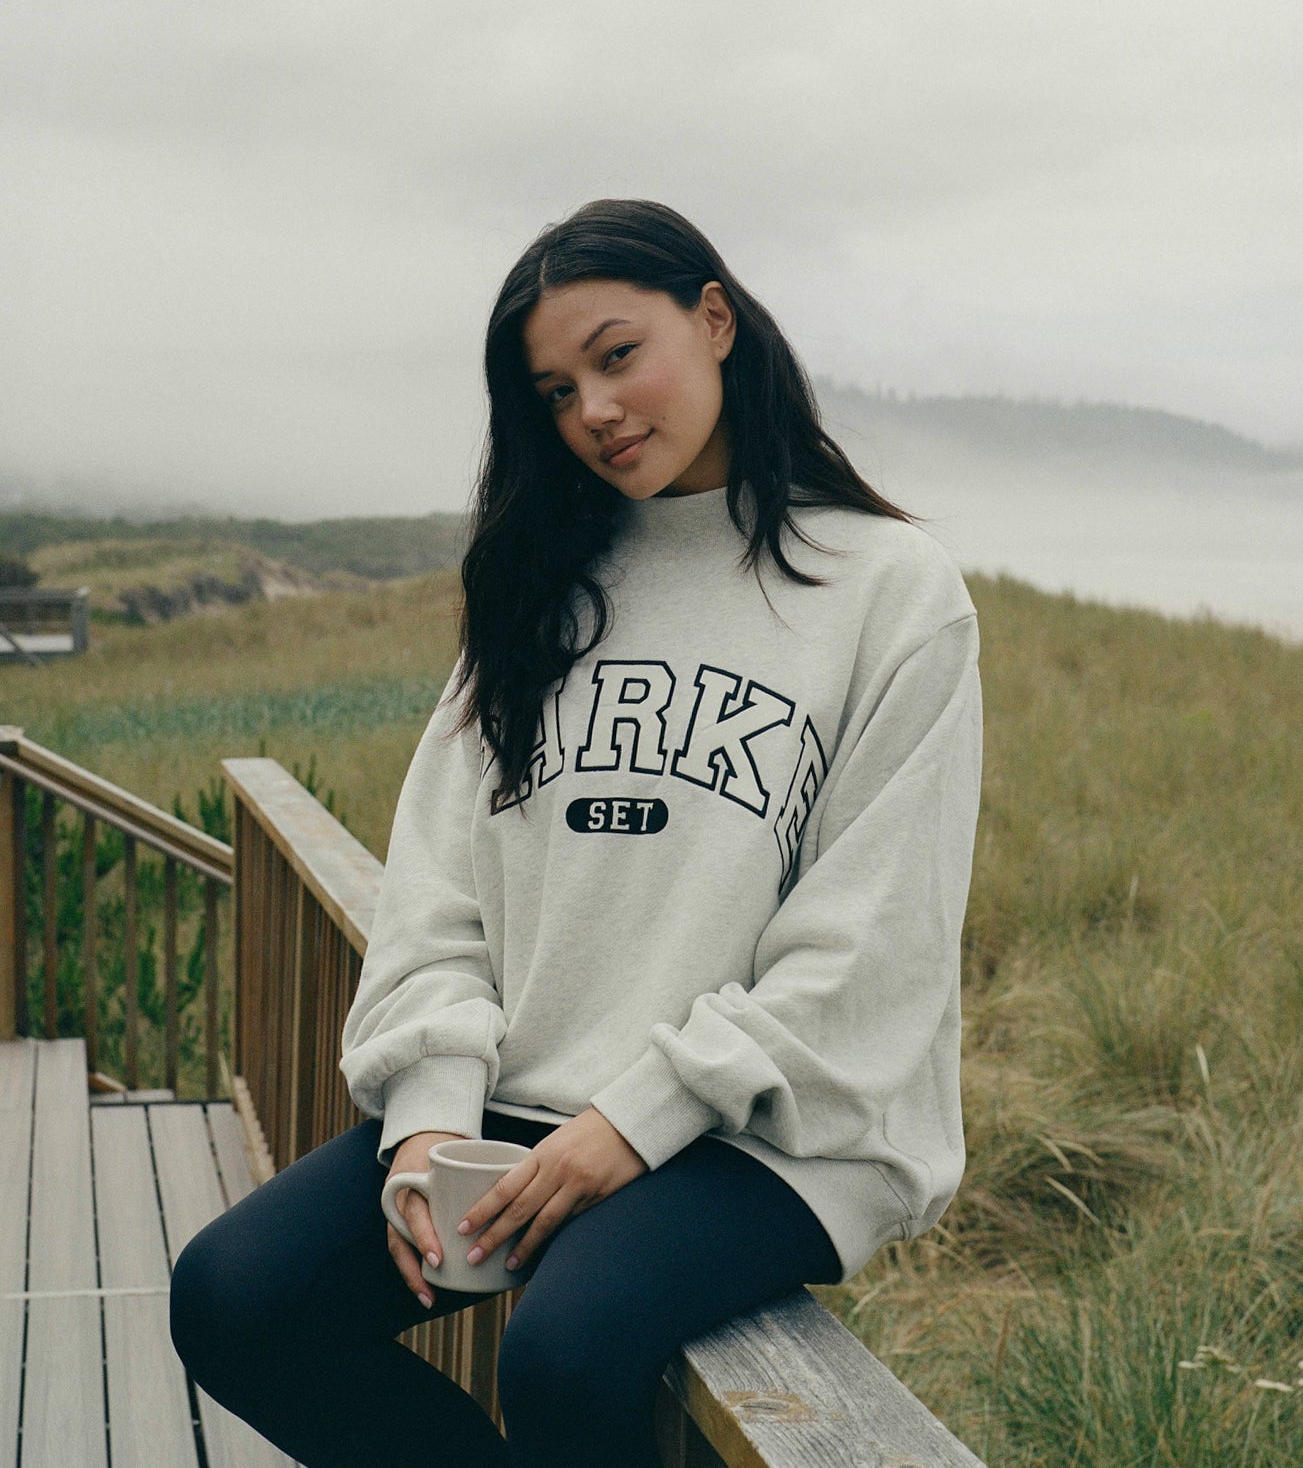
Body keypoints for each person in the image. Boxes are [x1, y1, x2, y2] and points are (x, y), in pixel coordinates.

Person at [169, 198, 983, 1467]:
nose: (594, 410)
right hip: (524, 1102)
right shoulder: (537, 587)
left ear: (714, 319)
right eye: (554, 390)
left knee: (566, 1347)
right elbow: (438, 895)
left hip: (767, 1132)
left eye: (617, 355)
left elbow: (868, 942)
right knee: (233, 1298)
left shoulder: (889, 591)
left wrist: (637, 1121)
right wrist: (431, 1113)